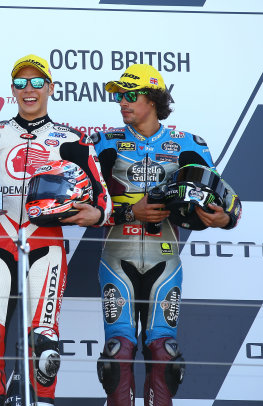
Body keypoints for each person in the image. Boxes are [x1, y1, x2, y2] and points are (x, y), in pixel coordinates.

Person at [0, 54, 112, 406]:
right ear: (12, 89)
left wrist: (94, 214)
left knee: (45, 348)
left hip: (47, 243)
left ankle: (40, 398)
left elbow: (104, 202)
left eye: (37, 82)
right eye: (21, 83)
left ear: (51, 88)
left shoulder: (72, 139)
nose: (29, 89)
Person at [91, 64, 241, 406]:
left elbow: (226, 198)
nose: (121, 103)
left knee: (165, 354)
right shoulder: (102, 143)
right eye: (118, 96)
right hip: (117, 256)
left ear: (154, 99)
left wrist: (223, 219)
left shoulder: (188, 144)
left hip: (165, 259)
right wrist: (129, 211)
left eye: (130, 95)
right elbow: (82, 201)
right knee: (117, 354)